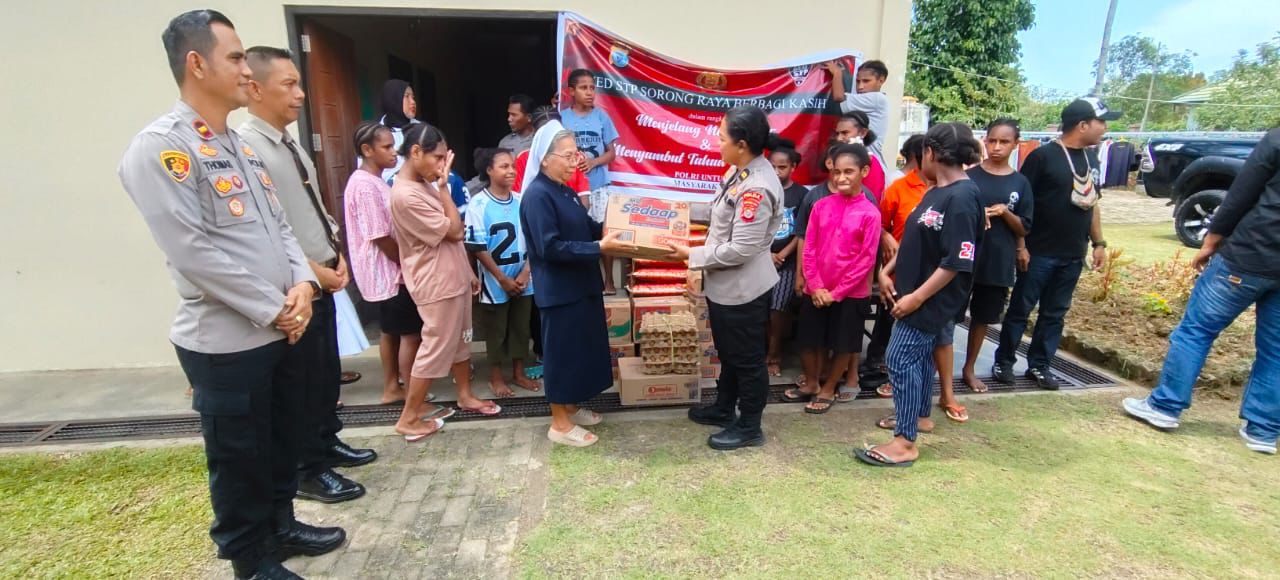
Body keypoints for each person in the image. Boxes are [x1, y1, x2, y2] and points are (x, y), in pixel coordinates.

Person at [118, 11, 343, 578]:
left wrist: (302, 285)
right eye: (237, 57)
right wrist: (275, 308)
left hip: (283, 325)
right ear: (196, 64)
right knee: (240, 456)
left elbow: (281, 228)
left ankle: (282, 525)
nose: (247, 70)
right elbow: (192, 252)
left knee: (280, 439)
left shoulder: (239, 147)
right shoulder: (162, 149)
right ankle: (251, 558)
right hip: (228, 341)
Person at [239, 45, 375, 504]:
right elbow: (268, 229)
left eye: (299, 83)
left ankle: (325, 441)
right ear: (256, 89)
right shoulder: (249, 149)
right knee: (298, 383)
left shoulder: (290, 143)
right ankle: (307, 469)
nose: (300, 94)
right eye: (289, 85)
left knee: (324, 373)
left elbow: (312, 208)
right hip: (296, 286)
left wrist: (336, 253)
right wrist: (314, 270)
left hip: (323, 276)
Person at [1124, 127, 1280, 455]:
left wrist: (1212, 239)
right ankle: (1263, 430)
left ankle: (1165, 406)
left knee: (1196, 331)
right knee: (1276, 350)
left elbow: (1242, 191)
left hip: (1250, 254)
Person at [856, 123, 984, 468]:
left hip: (929, 299)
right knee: (920, 359)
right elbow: (915, 240)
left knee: (899, 359)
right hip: (912, 292)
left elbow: (956, 261)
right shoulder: (936, 191)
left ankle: (905, 442)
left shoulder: (962, 198)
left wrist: (917, 298)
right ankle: (919, 417)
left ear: (930, 152)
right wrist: (886, 271)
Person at [665, 105, 785, 450]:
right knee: (729, 353)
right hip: (726, 287)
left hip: (742, 290)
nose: (716, 144)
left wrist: (691, 256)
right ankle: (723, 407)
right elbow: (720, 213)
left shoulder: (756, 188)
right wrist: (676, 211)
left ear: (742, 144)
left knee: (747, 360)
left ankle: (749, 426)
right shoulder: (740, 172)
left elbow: (741, 249)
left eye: (721, 138)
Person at [992, 98, 1117, 390]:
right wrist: (1021, 246)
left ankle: (1039, 365)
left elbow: (1092, 203)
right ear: (1082, 125)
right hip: (1039, 252)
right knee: (1020, 310)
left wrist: (1098, 242)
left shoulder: (1092, 159)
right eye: (1101, 122)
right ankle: (1004, 361)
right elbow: (1023, 204)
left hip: (1073, 253)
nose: (1104, 128)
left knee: (1055, 314)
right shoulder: (1043, 157)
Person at [520, 121, 632, 447]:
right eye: (568, 156)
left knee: (579, 351)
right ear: (545, 158)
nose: (576, 162)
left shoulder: (565, 190)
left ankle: (570, 406)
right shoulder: (538, 196)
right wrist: (599, 248)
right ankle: (559, 423)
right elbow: (549, 248)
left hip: (581, 285)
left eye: (577, 154)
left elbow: (587, 227)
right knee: (561, 355)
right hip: (560, 291)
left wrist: (621, 226)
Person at [390, 123, 499, 441]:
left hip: (453, 275)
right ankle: (409, 417)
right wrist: (443, 188)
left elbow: (453, 235)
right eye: (437, 158)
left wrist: (467, 271)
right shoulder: (406, 194)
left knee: (461, 339)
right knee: (435, 346)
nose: (441, 166)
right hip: (435, 281)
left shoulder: (423, 184)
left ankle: (464, 395)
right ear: (415, 152)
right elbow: (454, 230)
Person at [788, 144, 881, 414]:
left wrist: (837, 292)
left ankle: (829, 388)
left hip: (851, 293)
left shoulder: (870, 213)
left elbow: (866, 259)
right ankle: (811, 383)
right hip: (816, 290)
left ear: (864, 172)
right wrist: (816, 286)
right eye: (837, 172)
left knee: (844, 344)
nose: (841, 178)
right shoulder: (820, 206)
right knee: (808, 340)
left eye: (849, 172)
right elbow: (810, 248)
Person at [345, 122, 431, 407]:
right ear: (367, 150)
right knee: (409, 333)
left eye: (394, 146)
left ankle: (393, 385)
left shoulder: (375, 180)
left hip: (389, 271)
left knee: (391, 331)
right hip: (388, 272)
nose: (394, 152)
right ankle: (410, 395)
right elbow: (380, 235)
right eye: (386, 147)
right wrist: (406, 264)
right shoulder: (365, 185)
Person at [956, 119, 1034, 405]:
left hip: (997, 259)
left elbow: (1024, 226)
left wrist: (1005, 213)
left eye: (1004, 142)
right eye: (992, 141)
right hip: (964, 257)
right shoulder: (968, 177)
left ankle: (969, 368)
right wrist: (979, 215)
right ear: (984, 141)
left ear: (1015, 144)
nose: (997, 147)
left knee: (982, 317)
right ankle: (934, 365)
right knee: (949, 313)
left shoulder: (1020, 183)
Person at [465, 147, 543, 398]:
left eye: (512, 166)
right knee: (496, 330)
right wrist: (501, 278)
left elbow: (535, 240)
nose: (511, 171)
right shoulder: (478, 204)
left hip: (523, 277)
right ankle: (496, 377)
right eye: (504, 166)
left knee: (521, 327)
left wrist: (526, 272)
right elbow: (477, 247)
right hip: (494, 279)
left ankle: (519, 373)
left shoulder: (522, 200)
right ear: (489, 170)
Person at [862, 135, 926, 393]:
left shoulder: (946, 191)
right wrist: (885, 235)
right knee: (888, 322)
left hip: (930, 274)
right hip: (897, 272)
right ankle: (877, 365)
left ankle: (905, 374)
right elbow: (878, 222)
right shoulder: (899, 188)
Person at [560, 69, 622, 295]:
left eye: (592, 88)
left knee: (604, 231)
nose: (589, 92)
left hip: (598, 185)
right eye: (583, 88)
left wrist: (594, 162)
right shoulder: (562, 118)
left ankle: (609, 282)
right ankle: (582, 282)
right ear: (571, 91)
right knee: (576, 231)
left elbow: (611, 153)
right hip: (571, 188)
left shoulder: (601, 117)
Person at [376, 79, 468, 203]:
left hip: (427, 190)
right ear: (393, 99)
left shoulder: (422, 130)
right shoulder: (377, 135)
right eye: (407, 97)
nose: (413, 102)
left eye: (413, 97)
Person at [766, 145, 807, 377]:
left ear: (793, 167)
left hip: (787, 263)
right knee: (760, 310)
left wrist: (782, 255)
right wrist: (767, 254)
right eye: (772, 167)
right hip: (760, 259)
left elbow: (801, 233)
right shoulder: (762, 191)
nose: (776, 171)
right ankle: (760, 352)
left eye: (782, 167)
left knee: (778, 309)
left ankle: (774, 356)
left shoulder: (801, 195)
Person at [826, 59, 890, 164]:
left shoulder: (877, 98)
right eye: (858, 81)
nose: (860, 86)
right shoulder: (871, 99)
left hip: (871, 163)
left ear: (881, 80)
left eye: (866, 81)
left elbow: (838, 96)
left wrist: (837, 73)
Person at [832, 111, 886, 199]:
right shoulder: (835, 158)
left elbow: (872, 198)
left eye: (845, 133)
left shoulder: (871, 162)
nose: (839, 138)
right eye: (837, 134)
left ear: (863, 133)